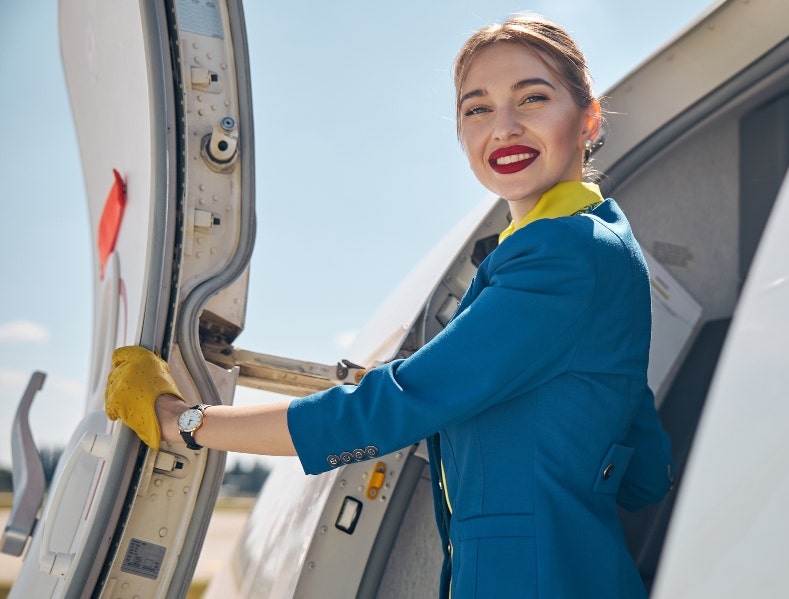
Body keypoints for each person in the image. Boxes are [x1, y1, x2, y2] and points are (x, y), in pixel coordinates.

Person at [104, 13, 674, 599]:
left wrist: (184, 422)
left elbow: (395, 408)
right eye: (477, 108)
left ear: (588, 119)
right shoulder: (600, 245)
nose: (503, 128)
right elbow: (644, 472)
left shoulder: (564, 254)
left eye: (532, 98)